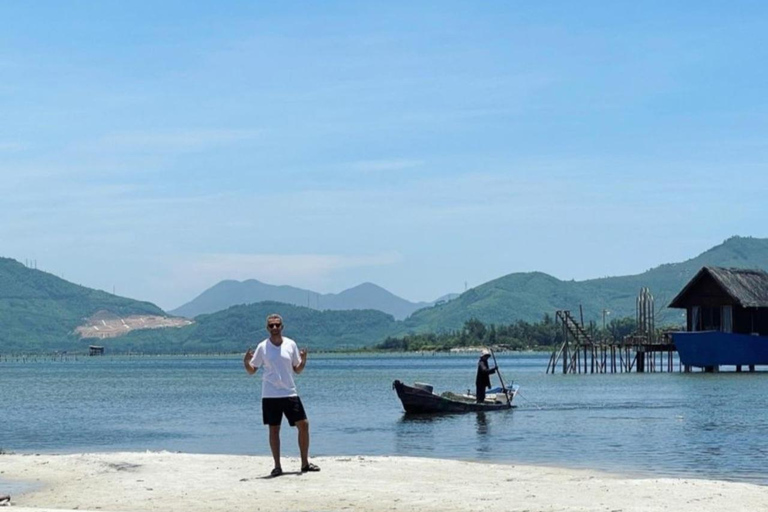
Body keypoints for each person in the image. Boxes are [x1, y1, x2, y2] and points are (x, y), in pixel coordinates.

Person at [243, 314, 320, 477]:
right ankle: (277, 466)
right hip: (270, 394)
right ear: (267, 328)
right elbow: (252, 370)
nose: (275, 328)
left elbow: (297, 369)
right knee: (274, 429)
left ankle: (305, 463)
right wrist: (245, 362)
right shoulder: (262, 347)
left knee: (304, 425)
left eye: (277, 325)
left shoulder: (290, 344)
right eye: (271, 326)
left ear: (282, 327)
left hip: (289, 392)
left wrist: (304, 361)